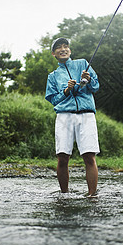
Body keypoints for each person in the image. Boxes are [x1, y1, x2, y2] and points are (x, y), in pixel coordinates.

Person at [45, 38, 100, 196]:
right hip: (64, 116)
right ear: (53, 54)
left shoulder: (83, 64)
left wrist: (88, 80)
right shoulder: (53, 76)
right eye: (58, 48)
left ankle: (91, 195)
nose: (63, 49)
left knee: (89, 156)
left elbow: (96, 86)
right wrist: (66, 91)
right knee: (62, 157)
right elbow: (53, 100)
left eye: (65, 46)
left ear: (69, 50)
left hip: (87, 115)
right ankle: (64, 195)